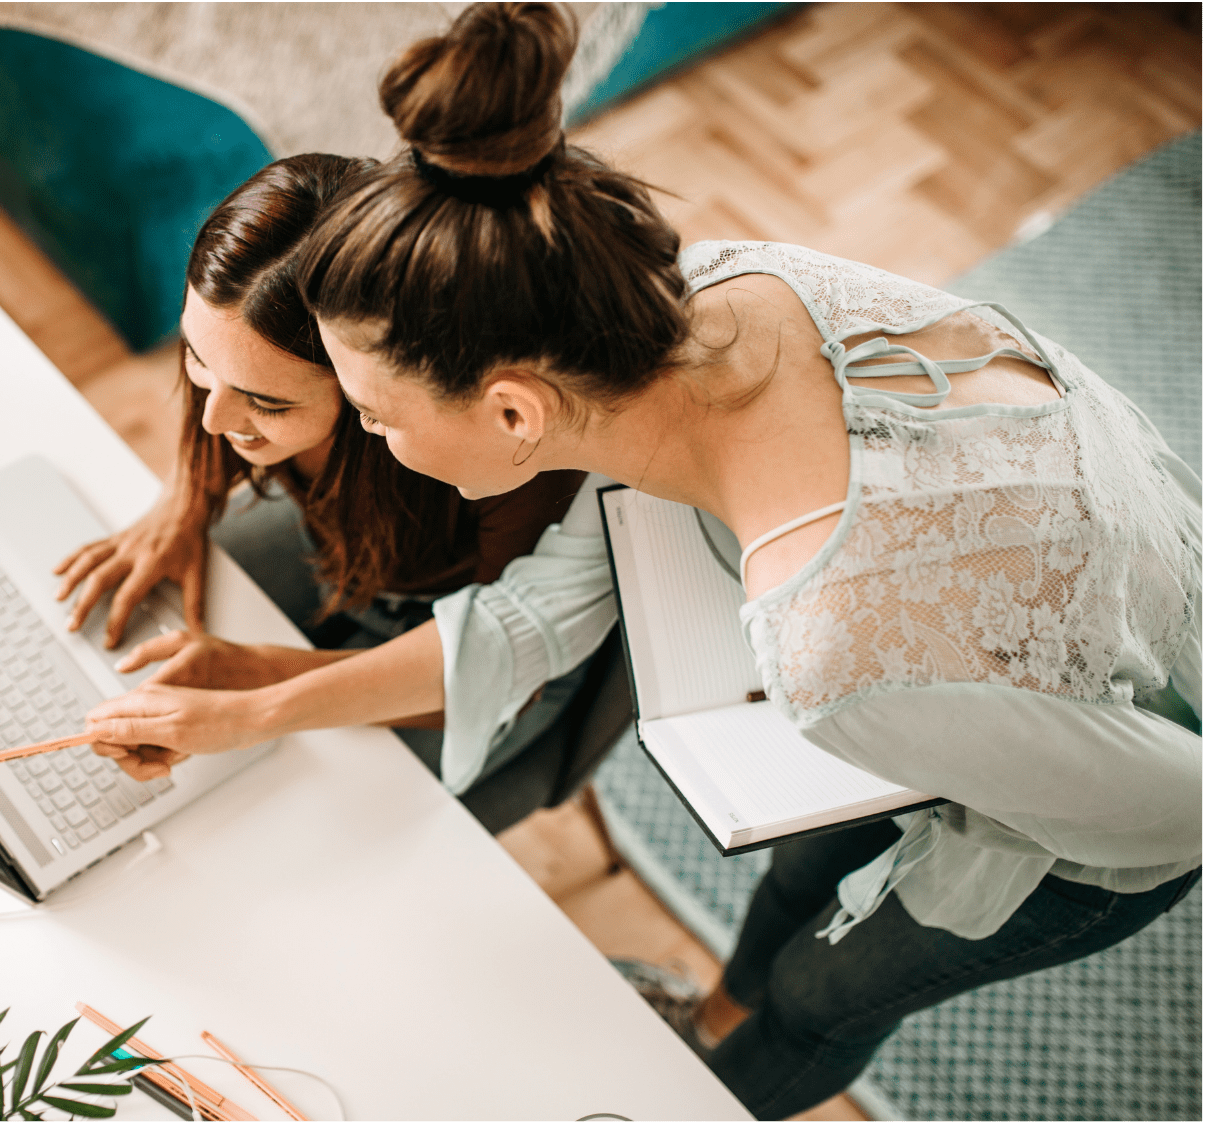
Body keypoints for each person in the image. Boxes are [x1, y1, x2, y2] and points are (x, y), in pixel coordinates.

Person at [81, 4, 1203, 1118]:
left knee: (819, 992)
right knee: (809, 873)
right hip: (1016, 630)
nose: (375, 444)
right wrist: (263, 692)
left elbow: (1177, 809)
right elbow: (544, 614)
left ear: (514, 412)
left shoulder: (835, 655)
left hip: (1117, 798)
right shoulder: (708, 296)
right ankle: (715, 1014)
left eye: (376, 415)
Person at [53, 151, 600, 799]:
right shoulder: (243, 369)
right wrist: (184, 500)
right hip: (364, 563)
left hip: (495, 652)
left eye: (269, 402)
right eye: (198, 359)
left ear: (369, 380)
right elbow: (228, 377)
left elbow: (496, 666)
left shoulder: (499, 455)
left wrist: (268, 675)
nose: (213, 420)